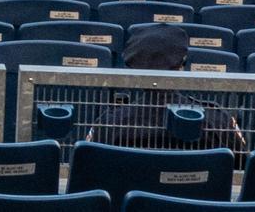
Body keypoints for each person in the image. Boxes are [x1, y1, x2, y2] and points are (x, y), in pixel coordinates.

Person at [88, 24, 246, 150]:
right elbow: (241, 165)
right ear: (182, 64)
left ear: (134, 70)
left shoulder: (109, 123)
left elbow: (89, 164)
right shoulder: (217, 119)